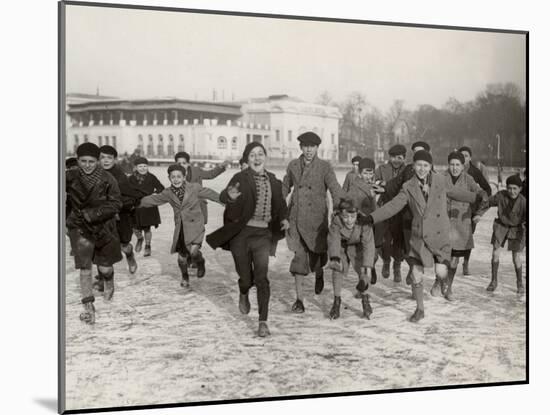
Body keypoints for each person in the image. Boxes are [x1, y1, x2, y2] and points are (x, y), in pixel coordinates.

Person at [366, 150, 483, 322]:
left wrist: (475, 197)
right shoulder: (408, 187)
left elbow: (455, 192)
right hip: (419, 235)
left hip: (439, 234)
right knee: (416, 273)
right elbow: (392, 206)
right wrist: (371, 218)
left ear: (430, 167)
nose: (422, 169)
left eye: (425, 165)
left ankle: (442, 279)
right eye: (419, 165)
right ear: (413, 166)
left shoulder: (440, 181)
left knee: (442, 270)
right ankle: (420, 309)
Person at [206, 142, 289, 337]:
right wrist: (230, 197)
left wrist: (284, 218)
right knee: (246, 278)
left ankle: (263, 321)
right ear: (247, 159)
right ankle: (243, 291)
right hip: (241, 235)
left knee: (262, 278)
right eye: (253, 155)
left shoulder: (274, 181)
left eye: (261, 154)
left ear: (265, 157)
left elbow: (281, 204)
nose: (257, 158)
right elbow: (226, 195)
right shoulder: (240, 178)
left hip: (263, 236)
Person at [283, 131, 343, 313]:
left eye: (312, 146)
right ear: (301, 147)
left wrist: (340, 208)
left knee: (318, 254)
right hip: (296, 218)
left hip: (317, 220)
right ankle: (299, 300)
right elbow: (285, 186)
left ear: (317, 148)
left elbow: (334, 188)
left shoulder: (324, 167)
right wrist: (280, 208)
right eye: (306, 146)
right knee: (299, 258)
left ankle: (319, 273)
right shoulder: (293, 165)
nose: (309, 150)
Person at [66, 143, 123, 324]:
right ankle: (89, 305)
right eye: (83, 161)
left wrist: (93, 214)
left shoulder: (108, 179)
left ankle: (109, 278)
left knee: (105, 268)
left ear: (97, 161)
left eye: (92, 161)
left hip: (104, 227)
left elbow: (116, 204)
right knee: (84, 267)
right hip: (79, 226)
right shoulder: (69, 177)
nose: (87, 165)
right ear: (78, 160)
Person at [138, 164, 221, 287]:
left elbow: (211, 194)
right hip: (181, 227)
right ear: (169, 178)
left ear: (184, 177)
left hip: (196, 225)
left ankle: (200, 262)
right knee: (182, 258)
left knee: (193, 252)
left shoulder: (194, 188)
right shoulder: (168, 192)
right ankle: (185, 276)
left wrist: (226, 200)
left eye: (178, 176)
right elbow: (154, 199)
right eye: (173, 177)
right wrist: (136, 203)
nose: (176, 179)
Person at [379, 141, 432, 286]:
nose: (417, 155)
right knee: (406, 246)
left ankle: (413, 271)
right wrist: (383, 187)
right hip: (407, 216)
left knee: (419, 248)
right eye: (415, 152)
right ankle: (409, 269)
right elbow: (395, 183)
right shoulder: (409, 169)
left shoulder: (434, 176)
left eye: (420, 151)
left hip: (424, 220)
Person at [442, 151, 486, 301]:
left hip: (461, 224)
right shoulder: (441, 178)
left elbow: (482, 195)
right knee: (442, 258)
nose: (454, 168)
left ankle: (448, 287)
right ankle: (439, 280)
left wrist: (479, 212)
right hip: (443, 223)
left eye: (457, 165)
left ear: (463, 166)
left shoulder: (469, 179)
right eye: (452, 164)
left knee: (455, 259)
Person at [175, 151, 227, 277]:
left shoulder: (196, 171)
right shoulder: (175, 175)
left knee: (196, 237)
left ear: (188, 163)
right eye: (179, 163)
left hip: (199, 209)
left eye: (184, 163)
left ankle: (196, 258)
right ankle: (190, 257)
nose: (182, 165)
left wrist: (221, 167)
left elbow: (210, 175)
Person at [96, 146, 141, 288]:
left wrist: (116, 205)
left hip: (120, 216)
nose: (106, 161)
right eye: (103, 157)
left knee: (124, 245)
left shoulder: (120, 176)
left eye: (109, 158)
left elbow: (131, 198)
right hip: (102, 217)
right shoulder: (94, 174)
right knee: (101, 246)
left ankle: (130, 255)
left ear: (115, 160)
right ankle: (103, 279)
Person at [327, 199, 375, 320]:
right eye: (345, 216)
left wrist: (368, 265)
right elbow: (334, 240)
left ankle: (365, 301)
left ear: (357, 214)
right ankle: (336, 302)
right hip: (342, 248)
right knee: (337, 269)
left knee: (364, 272)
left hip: (358, 248)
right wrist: (335, 257)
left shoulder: (364, 222)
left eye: (352, 216)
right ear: (340, 214)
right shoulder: (336, 221)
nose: (349, 220)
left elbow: (368, 245)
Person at [478, 175, 526, 294]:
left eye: (515, 188)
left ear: (520, 189)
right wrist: (479, 214)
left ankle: (519, 282)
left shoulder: (524, 202)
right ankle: (494, 281)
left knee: (516, 257)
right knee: (495, 253)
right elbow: (488, 203)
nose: (512, 191)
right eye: (509, 188)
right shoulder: (501, 196)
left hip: (517, 229)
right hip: (501, 226)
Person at [458, 146, 493, 276]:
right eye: (461, 155)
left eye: (466, 155)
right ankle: (451, 261)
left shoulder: (475, 171)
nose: (463, 158)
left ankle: (465, 263)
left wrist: (479, 203)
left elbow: (487, 190)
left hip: (470, 210)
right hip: (455, 210)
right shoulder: (454, 169)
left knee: (468, 237)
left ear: (470, 158)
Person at [345, 157, 380, 285]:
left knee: (372, 252)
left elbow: (374, 206)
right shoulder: (355, 186)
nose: (368, 176)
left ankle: (370, 269)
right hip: (359, 224)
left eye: (371, 173)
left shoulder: (373, 186)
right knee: (360, 253)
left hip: (371, 221)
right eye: (365, 173)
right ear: (359, 173)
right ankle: (364, 279)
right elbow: (351, 204)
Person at [375, 144, 407, 282]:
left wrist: (386, 185)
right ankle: (386, 261)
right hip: (385, 207)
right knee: (385, 240)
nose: (396, 160)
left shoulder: (407, 170)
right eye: (393, 157)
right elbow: (374, 181)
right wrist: (383, 183)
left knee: (400, 241)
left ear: (404, 158)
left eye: (399, 158)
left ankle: (397, 266)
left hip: (401, 210)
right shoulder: (382, 169)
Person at [128, 156, 165, 256]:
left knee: (147, 228)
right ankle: (140, 238)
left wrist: (155, 193)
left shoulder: (151, 177)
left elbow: (161, 188)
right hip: (135, 206)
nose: (143, 168)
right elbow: (126, 190)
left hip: (148, 206)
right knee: (134, 227)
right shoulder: (131, 178)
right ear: (136, 167)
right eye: (140, 166)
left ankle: (148, 246)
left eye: (145, 166)